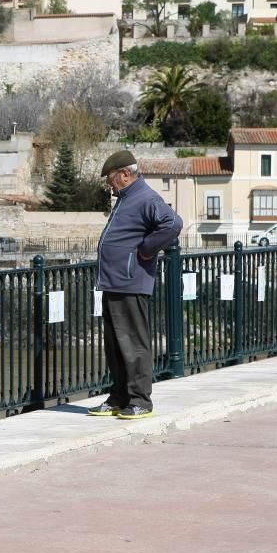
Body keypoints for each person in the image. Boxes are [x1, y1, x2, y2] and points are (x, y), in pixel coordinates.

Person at [89, 151, 182, 420]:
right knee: (115, 345)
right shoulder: (126, 198)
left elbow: (173, 223)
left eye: (111, 179)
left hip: (130, 281)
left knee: (134, 344)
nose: (109, 184)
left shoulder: (145, 197)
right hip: (113, 281)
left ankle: (140, 399)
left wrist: (146, 250)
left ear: (125, 174)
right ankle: (119, 397)